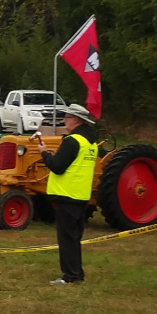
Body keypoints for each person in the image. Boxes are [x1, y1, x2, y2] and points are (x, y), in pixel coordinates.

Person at [36, 104, 98, 286]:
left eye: (67, 117)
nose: (64, 121)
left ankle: (70, 276)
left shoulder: (72, 141)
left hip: (67, 195)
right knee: (74, 238)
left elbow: (57, 166)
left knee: (66, 239)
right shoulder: (90, 143)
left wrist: (44, 154)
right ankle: (76, 272)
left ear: (76, 120)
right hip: (80, 195)